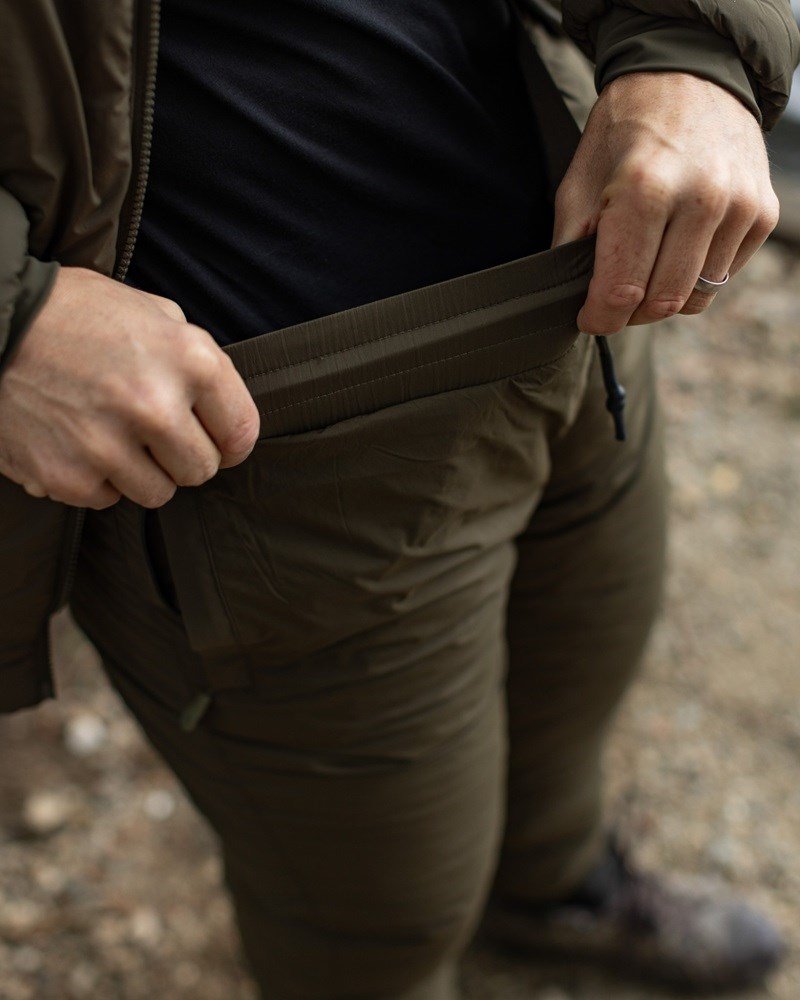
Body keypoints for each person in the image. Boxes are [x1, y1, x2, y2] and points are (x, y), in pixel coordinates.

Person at [0, 1, 797, 997]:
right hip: (279, 433)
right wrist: (13, 323)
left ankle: (547, 894)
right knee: (378, 914)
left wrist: (689, 46)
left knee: (575, 689)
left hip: (574, 279)